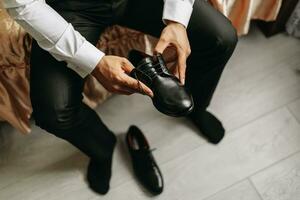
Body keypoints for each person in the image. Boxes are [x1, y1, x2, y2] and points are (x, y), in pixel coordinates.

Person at [3, 0, 238, 195]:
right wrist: (93, 61)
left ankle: (197, 106)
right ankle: (103, 148)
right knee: (53, 111)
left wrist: (177, 19)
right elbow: (24, 4)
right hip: (69, 7)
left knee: (222, 37)